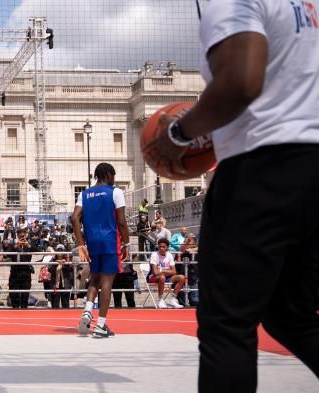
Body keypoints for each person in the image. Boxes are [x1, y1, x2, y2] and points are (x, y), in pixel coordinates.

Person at [146, 1, 319, 388]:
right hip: (312, 165)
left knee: (226, 327)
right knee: (291, 314)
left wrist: (179, 133)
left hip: (263, 166)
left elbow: (240, 82)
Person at [72, 163, 130, 338]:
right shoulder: (116, 192)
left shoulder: (84, 194)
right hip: (110, 241)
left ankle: (88, 310)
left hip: (92, 243)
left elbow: (74, 218)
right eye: (114, 175)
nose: (115, 179)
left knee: (95, 279)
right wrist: (126, 244)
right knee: (107, 282)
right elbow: (121, 222)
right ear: (108, 174)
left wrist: (81, 244)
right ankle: (101, 325)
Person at [148, 238, 185, 309]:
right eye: (160, 246)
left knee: (181, 277)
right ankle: (160, 300)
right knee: (162, 277)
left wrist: (163, 271)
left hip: (166, 277)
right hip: (153, 277)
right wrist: (166, 271)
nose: (161, 248)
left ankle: (173, 299)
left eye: (163, 247)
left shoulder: (169, 255)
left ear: (167, 247)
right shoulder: (154, 255)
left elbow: (174, 271)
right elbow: (155, 272)